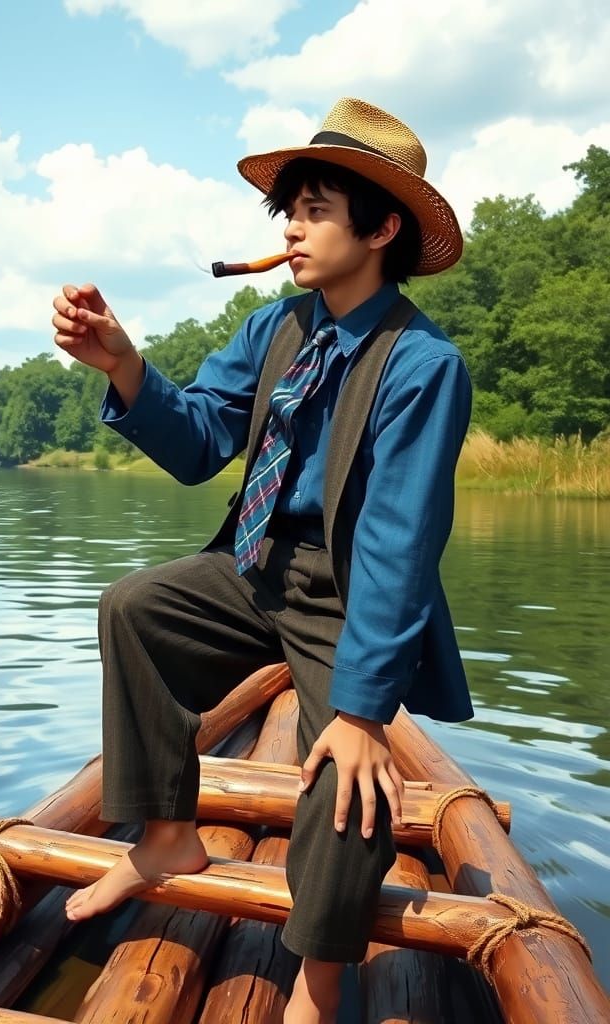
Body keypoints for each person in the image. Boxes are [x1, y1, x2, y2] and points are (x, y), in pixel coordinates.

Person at [49, 97, 473, 1024]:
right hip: (254, 565)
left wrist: (364, 713)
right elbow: (202, 440)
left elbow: (400, 543)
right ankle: (167, 838)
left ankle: (321, 981)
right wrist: (124, 364)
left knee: (348, 775)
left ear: (383, 227)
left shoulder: (421, 365)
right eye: (292, 208)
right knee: (136, 607)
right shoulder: (276, 327)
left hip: (348, 592)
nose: (293, 226)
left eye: (318, 208)